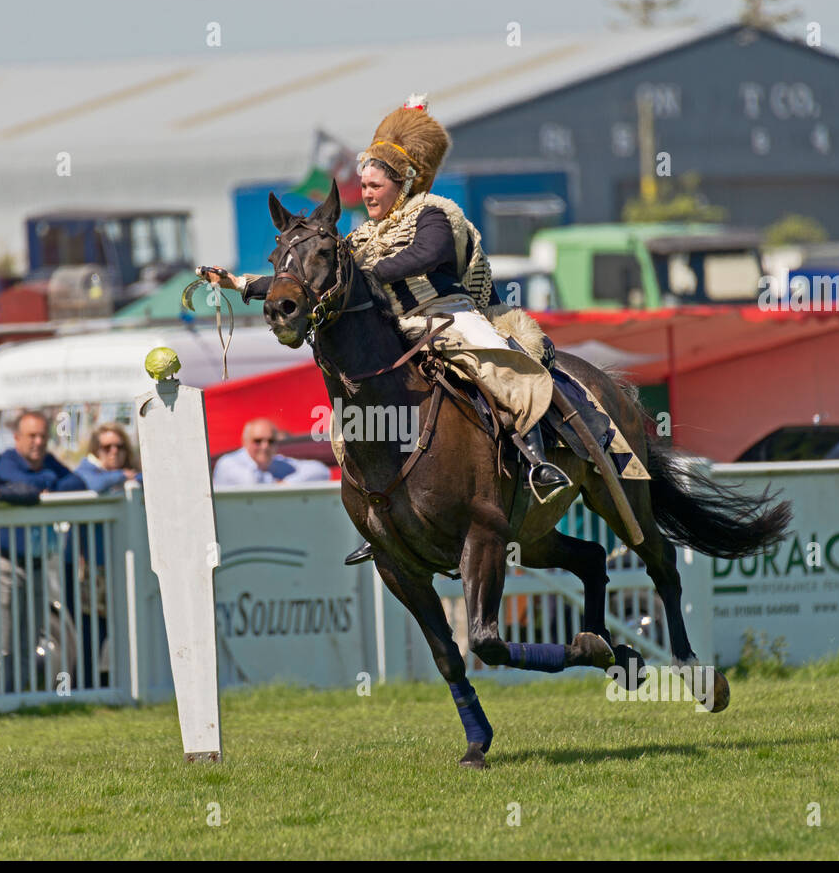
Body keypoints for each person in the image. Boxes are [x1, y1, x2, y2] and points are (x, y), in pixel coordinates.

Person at [203, 95, 567, 563]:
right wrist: (242, 284)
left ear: (403, 183)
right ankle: (382, 515)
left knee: (502, 373)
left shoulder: (435, 212)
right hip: (399, 328)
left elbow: (425, 257)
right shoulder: (358, 238)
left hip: (451, 316)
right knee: (352, 414)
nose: (368, 193)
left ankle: (538, 466)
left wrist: (372, 273)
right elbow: (313, 280)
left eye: (375, 185)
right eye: (365, 186)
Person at [0, 411, 84, 695]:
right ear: (16, 438)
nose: (38, 442)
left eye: (42, 436)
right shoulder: (5, 463)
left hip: (39, 564)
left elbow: (76, 483)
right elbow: (19, 486)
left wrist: (39, 486)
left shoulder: (47, 463)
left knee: (29, 640)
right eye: (32, 436)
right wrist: (43, 486)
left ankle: (21, 702)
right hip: (6, 563)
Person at [212, 418, 331, 487]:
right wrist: (282, 485)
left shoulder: (277, 461)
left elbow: (321, 471)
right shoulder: (227, 463)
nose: (265, 446)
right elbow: (252, 482)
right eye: (258, 441)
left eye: (271, 441)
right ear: (245, 441)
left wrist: (285, 484)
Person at [75, 423, 141, 494]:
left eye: (119, 447)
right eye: (107, 447)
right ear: (96, 450)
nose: (114, 451)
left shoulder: (131, 468)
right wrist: (122, 475)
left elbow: (147, 480)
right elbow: (93, 485)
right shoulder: (85, 469)